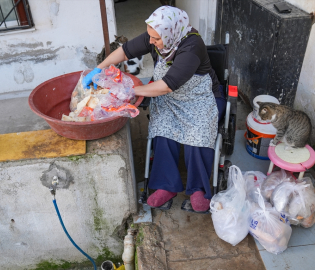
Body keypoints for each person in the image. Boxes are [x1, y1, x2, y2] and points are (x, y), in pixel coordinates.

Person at [83, 6, 226, 212]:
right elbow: (125, 51)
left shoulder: (192, 45)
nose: (151, 41)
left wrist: (130, 90)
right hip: (169, 97)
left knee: (198, 135)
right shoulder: (157, 35)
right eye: (150, 36)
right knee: (162, 131)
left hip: (201, 98)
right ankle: (166, 186)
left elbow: (167, 84)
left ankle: (198, 189)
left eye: (156, 38)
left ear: (170, 33)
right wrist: (99, 68)